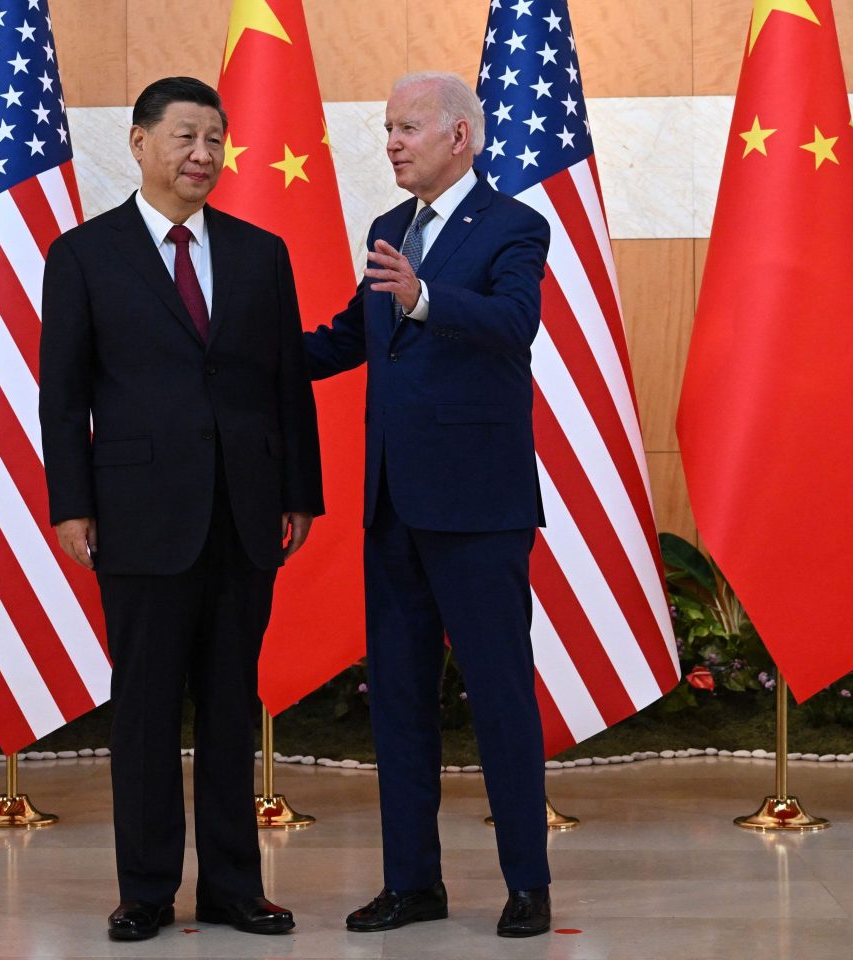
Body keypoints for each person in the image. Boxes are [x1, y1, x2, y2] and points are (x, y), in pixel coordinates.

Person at [40, 76, 322, 943]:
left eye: (214, 140)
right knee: (146, 710)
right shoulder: (84, 255)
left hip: (245, 513)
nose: (203, 155)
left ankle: (234, 886)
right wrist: (71, 504)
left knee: (233, 706)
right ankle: (147, 890)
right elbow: (63, 394)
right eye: (185, 137)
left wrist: (299, 492)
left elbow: (287, 383)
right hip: (137, 515)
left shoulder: (260, 253)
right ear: (139, 142)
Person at [302, 71, 553, 939]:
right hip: (393, 507)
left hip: (479, 509)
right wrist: (250, 353)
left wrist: (424, 297)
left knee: (499, 697)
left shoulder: (514, 225)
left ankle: (528, 885)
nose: (392, 143)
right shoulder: (389, 228)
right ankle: (413, 884)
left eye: (407, 127)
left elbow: (513, 323)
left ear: (460, 136)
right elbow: (353, 335)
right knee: (400, 702)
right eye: (387, 128)